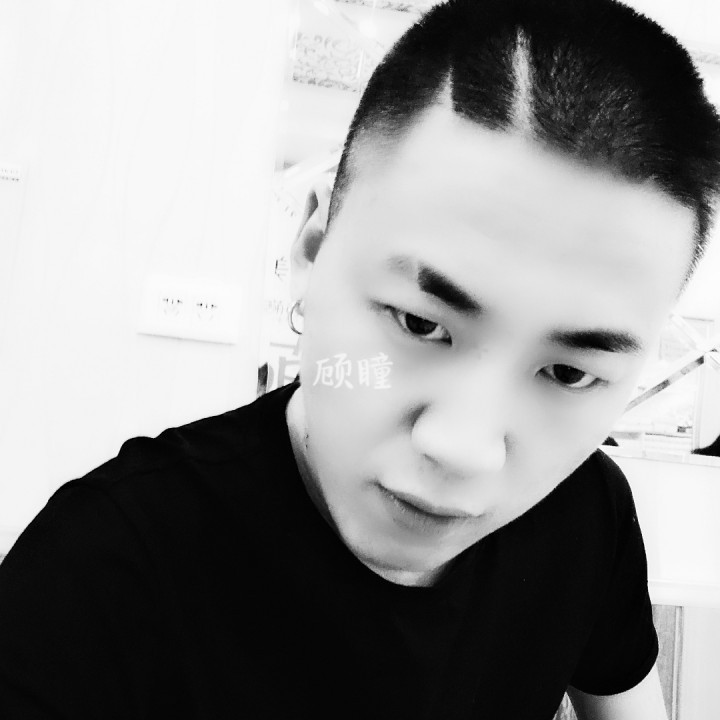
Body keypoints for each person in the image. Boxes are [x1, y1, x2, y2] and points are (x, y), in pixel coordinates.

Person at [2, 0, 720, 718]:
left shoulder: (586, 516)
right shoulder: (100, 571)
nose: (462, 449)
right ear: (312, 246)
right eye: (420, 323)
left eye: (568, 373)